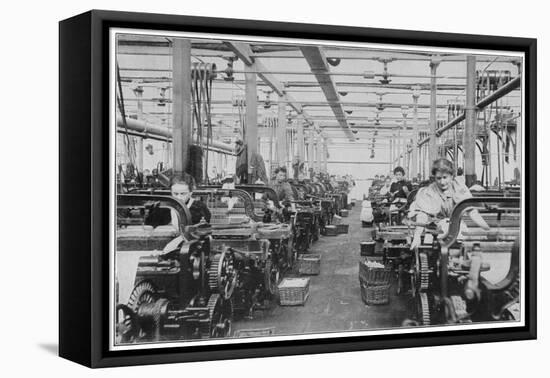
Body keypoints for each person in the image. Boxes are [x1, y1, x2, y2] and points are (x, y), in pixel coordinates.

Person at [408, 158, 490, 249]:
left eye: (445, 177)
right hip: (436, 229)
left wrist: (488, 229)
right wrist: (417, 236)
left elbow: (472, 212)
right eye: (438, 178)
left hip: (457, 227)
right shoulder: (429, 192)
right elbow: (422, 215)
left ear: (451, 176)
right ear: (434, 177)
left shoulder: (458, 188)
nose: (442, 182)